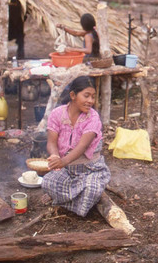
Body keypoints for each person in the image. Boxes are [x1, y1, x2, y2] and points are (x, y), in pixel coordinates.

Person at [41, 76, 110, 217]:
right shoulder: (57, 114)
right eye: (86, 96)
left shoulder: (93, 118)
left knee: (92, 189)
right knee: (47, 182)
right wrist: (55, 155)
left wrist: (63, 161)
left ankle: (63, 202)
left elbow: (82, 147)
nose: (90, 101)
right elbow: (52, 142)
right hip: (67, 170)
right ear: (72, 95)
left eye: (93, 97)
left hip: (90, 169)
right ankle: (79, 201)